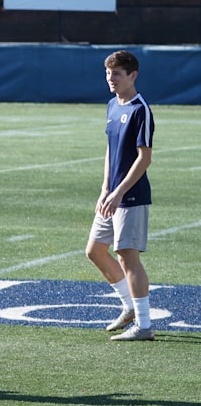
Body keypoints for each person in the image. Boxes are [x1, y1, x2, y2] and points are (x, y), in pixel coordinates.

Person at [85, 50, 156, 341]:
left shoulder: (141, 110)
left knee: (128, 257)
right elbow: (110, 151)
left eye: (116, 74)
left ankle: (145, 326)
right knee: (94, 251)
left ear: (132, 76)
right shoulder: (112, 105)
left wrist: (119, 192)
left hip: (132, 195)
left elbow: (144, 158)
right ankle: (128, 306)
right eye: (108, 73)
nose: (110, 79)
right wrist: (105, 189)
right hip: (112, 194)